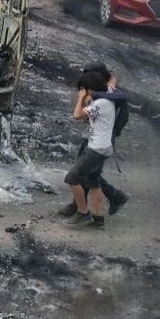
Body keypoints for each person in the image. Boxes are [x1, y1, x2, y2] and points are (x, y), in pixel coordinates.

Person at [60, 68, 128, 228]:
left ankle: (83, 214)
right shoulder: (109, 94)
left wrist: (81, 98)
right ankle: (98, 218)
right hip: (103, 146)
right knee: (93, 181)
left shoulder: (100, 104)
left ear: (90, 89)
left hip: (96, 149)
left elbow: (77, 115)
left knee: (72, 178)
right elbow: (112, 81)